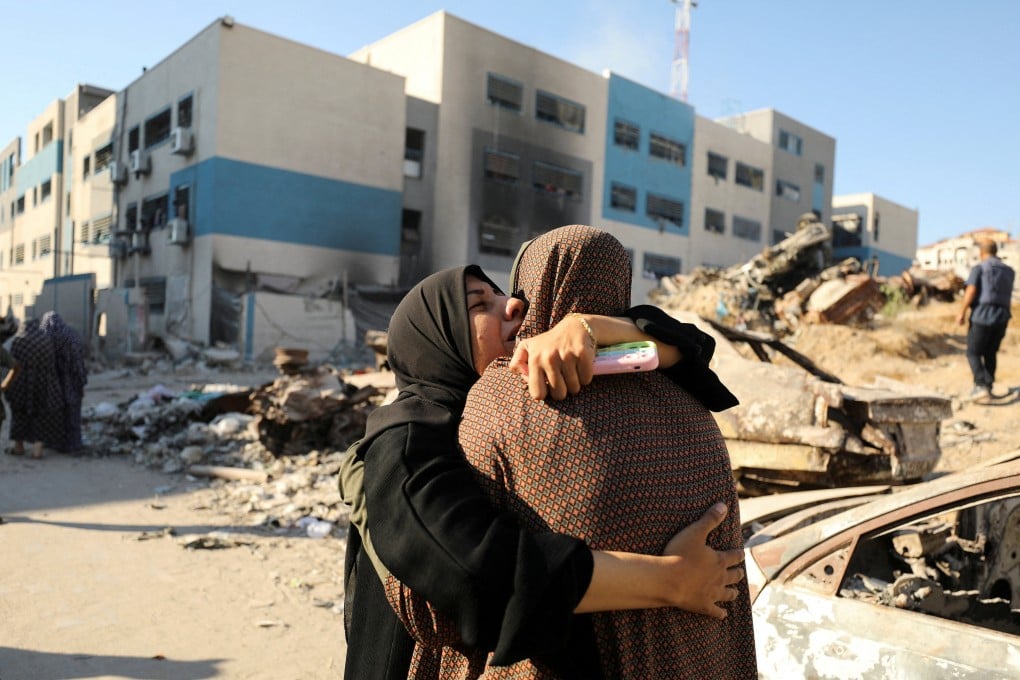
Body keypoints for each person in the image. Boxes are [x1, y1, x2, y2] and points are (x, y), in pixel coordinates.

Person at [340, 263, 742, 679]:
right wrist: (672, 581)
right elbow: (474, 572)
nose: (514, 305)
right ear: (439, 338)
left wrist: (589, 327)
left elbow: (692, 347)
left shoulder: (504, 410)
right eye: (480, 304)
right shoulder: (405, 439)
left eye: (505, 294)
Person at [439, 224, 756, 677]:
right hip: (702, 656)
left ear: (532, 290)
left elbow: (470, 560)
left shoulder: (503, 396)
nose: (511, 308)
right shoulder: (689, 397)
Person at [957, 239, 1015, 400]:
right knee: (991, 352)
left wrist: (962, 312)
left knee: (973, 352)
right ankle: (988, 387)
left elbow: (971, 290)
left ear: (981, 253)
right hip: (1002, 316)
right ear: (996, 251)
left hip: (982, 315)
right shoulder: (1009, 271)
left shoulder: (980, 268)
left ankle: (981, 385)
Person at [7, 318, 62, 459]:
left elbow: (12, 364)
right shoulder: (46, 341)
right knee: (41, 415)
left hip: (21, 384)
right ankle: (37, 450)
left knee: (19, 414)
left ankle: (19, 447)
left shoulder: (19, 341)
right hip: (43, 384)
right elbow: (52, 364)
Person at [40, 311, 89, 453]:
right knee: (73, 413)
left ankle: (58, 443)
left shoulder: (49, 337)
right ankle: (74, 444)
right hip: (74, 381)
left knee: (57, 413)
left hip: (59, 383)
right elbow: (80, 357)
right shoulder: (71, 334)